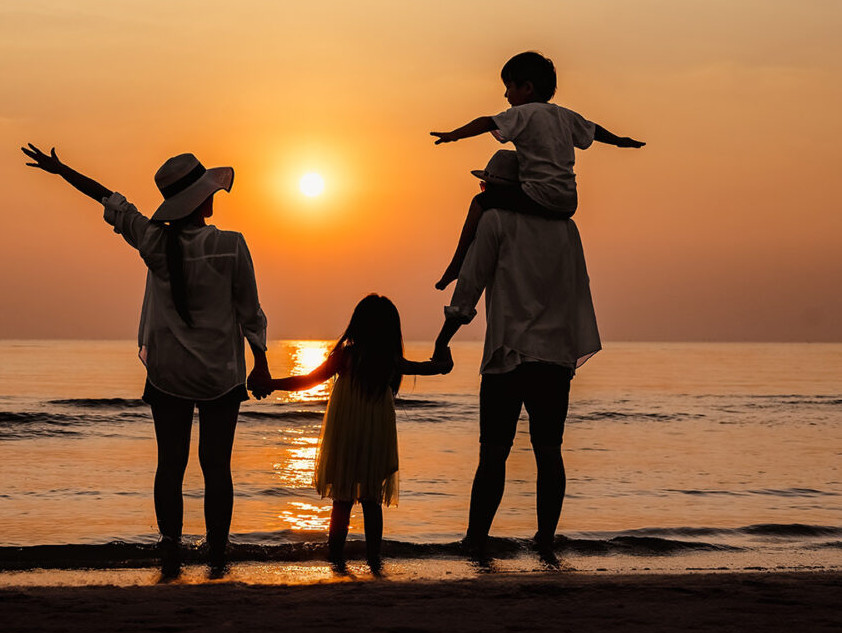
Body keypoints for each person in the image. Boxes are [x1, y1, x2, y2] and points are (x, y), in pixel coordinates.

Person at [21, 144, 271, 576]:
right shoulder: (231, 245)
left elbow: (107, 197)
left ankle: (171, 548)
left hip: (169, 371)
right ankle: (217, 552)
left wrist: (63, 171)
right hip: (221, 374)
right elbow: (250, 311)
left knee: (170, 465)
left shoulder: (153, 240)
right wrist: (261, 362)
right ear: (203, 199)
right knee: (217, 467)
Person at [430, 150, 603, 561]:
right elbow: (578, 287)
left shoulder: (495, 221)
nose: (482, 190)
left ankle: (476, 539)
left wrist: (442, 341)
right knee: (549, 451)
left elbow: (468, 289)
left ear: (497, 188)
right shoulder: (567, 229)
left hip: (507, 356)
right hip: (554, 357)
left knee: (492, 452)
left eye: (485, 184)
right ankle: (545, 539)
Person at [249, 295, 451, 571]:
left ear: (358, 324)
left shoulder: (345, 356)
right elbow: (431, 368)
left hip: (345, 434)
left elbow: (308, 381)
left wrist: (270, 383)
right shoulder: (390, 361)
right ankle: (374, 559)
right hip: (376, 436)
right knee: (371, 500)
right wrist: (445, 360)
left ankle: (336, 559)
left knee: (342, 500)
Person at [431, 50, 644, 289]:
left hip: (539, 197)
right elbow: (593, 130)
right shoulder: (564, 115)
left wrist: (454, 135)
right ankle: (457, 265)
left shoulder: (522, 113)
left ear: (528, 88)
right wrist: (619, 140)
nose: (506, 94)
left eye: (509, 87)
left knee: (481, 201)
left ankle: (456, 265)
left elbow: (487, 121)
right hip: (568, 202)